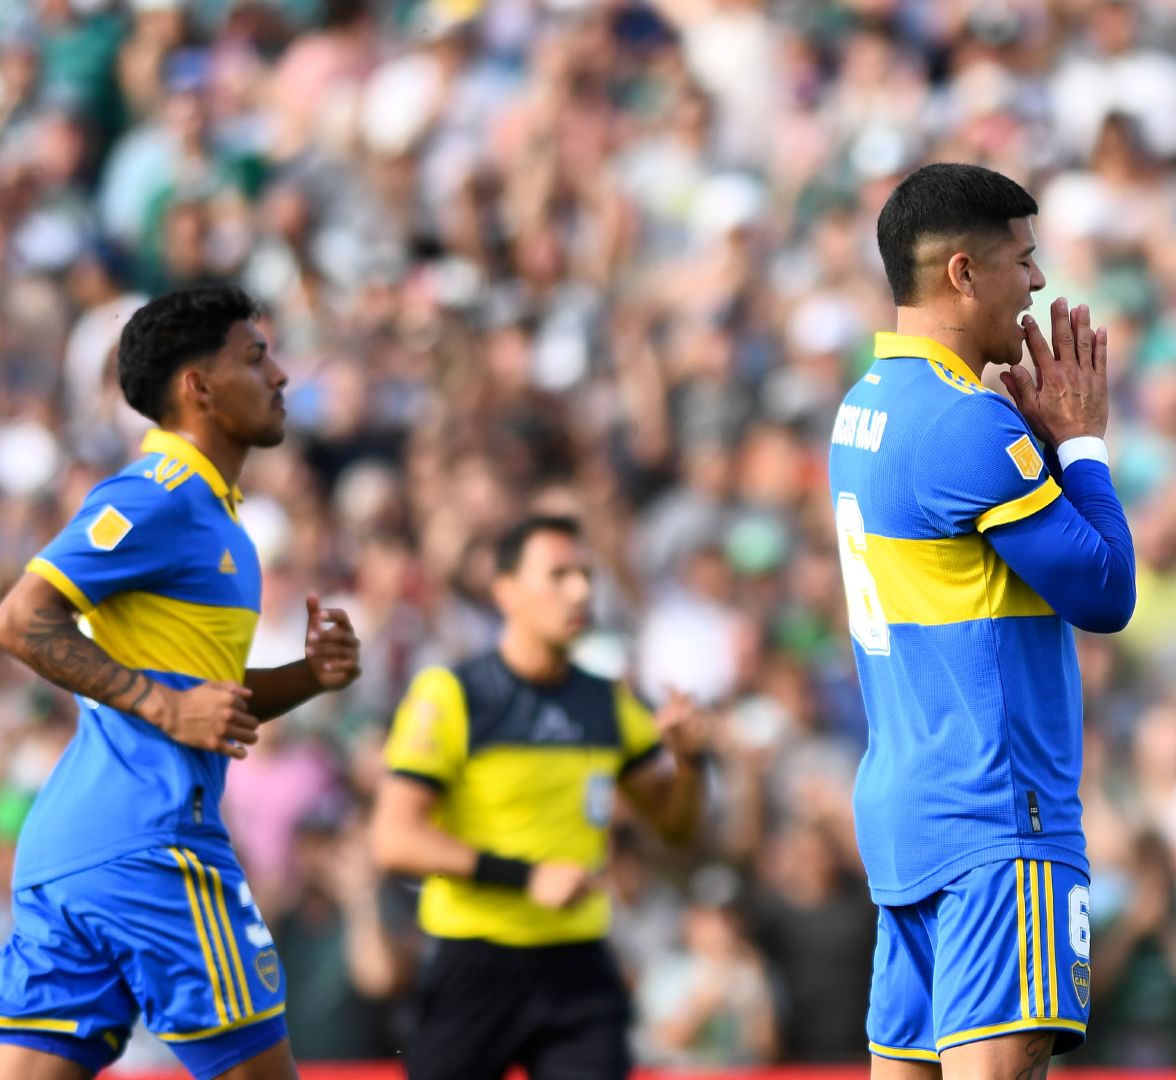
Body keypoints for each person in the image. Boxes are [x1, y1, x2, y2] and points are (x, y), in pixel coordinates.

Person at [0, 285, 364, 1080]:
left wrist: (308, 676)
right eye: (256, 357)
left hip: (74, 850)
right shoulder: (155, 496)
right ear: (197, 386)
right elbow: (22, 619)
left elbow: (211, 707)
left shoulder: (219, 520)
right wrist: (162, 703)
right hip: (153, 842)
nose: (280, 377)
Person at [829, 162, 1136, 1080]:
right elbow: (1105, 591)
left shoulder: (864, 409)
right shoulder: (964, 426)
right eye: (1023, 259)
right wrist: (1081, 442)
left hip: (909, 813)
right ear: (963, 273)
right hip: (1000, 818)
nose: (1039, 283)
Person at [369, 515, 707, 1080]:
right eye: (558, 575)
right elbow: (393, 840)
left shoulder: (608, 702)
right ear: (505, 591)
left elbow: (675, 829)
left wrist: (691, 762)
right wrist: (526, 877)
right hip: (473, 960)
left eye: (585, 575)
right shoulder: (455, 694)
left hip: (576, 963)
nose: (579, 591)